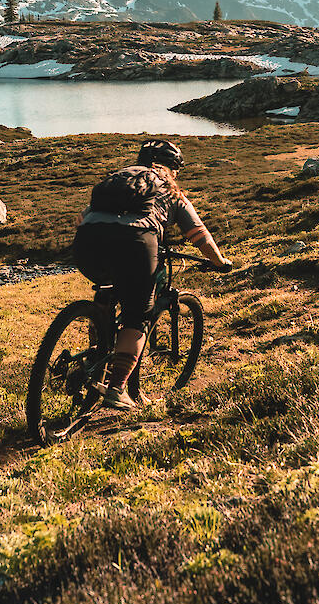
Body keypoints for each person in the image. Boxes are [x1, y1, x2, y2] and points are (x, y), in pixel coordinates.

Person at [72, 140, 233, 410]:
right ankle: (117, 388)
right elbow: (199, 234)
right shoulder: (170, 189)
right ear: (172, 167)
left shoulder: (120, 180)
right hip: (135, 243)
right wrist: (219, 261)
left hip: (86, 242)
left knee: (107, 289)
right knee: (138, 315)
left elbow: (81, 219)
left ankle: (95, 354)